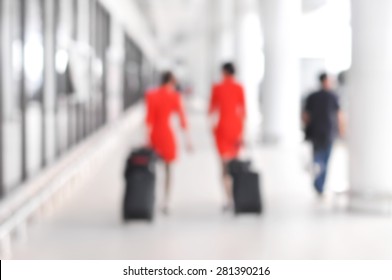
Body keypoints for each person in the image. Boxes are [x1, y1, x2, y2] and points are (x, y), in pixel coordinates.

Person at [145, 71, 192, 214]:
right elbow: (182, 120)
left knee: (152, 169)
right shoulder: (175, 96)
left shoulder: (151, 95)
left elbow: (149, 120)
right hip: (168, 136)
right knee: (168, 170)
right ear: (172, 82)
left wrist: (147, 139)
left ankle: (151, 198)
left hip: (155, 136)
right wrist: (188, 141)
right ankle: (166, 201)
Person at [208, 63, 246, 211]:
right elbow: (243, 112)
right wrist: (242, 134)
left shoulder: (217, 88)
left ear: (223, 72)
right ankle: (237, 197)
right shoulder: (239, 88)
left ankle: (228, 199)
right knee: (235, 165)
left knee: (224, 167)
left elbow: (211, 110)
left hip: (222, 129)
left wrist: (212, 129)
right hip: (236, 129)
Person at [302, 72, 345, 196]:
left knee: (320, 159)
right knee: (323, 160)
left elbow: (305, 116)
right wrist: (341, 129)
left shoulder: (312, 96)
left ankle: (319, 183)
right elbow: (339, 115)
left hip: (320, 132)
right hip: (326, 132)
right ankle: (319, 184)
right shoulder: (332, 96)